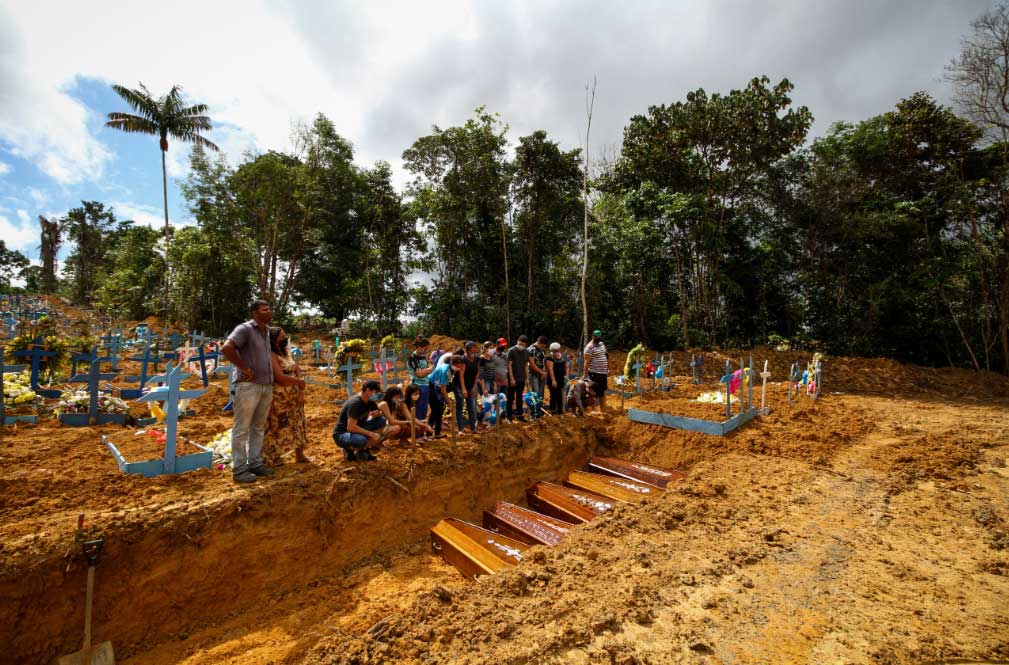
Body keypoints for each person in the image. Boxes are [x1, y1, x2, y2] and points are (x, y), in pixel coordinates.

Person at [220, 299, 277, 484]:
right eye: (265, 309)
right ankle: (239, 469)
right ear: (255, 313)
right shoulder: (244, 329)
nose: (269, 312)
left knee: (258, 427)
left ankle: (255, 463)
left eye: (269, 309)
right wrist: (244, 368)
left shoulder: (267, 331)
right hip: (248, 386)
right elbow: (227, 348)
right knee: (242, 428)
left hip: (265, 385)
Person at [262, 326, 309, 465]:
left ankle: (299, 455)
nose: (284, 339)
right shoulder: (271, 354)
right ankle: (276, 456)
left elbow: (297, 369)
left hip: (295, 397)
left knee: (299, 423)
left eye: (285, 336)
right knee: (278, 426)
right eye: (281, 337)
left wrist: (301, 391)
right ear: (273, 339)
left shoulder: (286, 352)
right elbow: (279, 377)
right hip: (279, 399)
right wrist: (299, 381)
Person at [332, 380, 387, 461]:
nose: (376, 395)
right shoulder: (355, 403)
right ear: (368, 390)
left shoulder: (370, 402)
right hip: (342, 434)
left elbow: (377, 415)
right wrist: (371, 434)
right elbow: (350, 427)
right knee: (361, 440)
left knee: (381, 420)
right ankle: (348, 449)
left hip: (357, 428)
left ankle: (363, 450)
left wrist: (377, 415)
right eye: (375, 392)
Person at [429, 354, 465, 438]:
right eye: (457, 366)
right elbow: (443, 390)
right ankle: (429, 433)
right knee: (435, 410)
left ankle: (437, 433)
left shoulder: (450, 368)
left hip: (438, 386)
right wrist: (449, 402)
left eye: (460, 366)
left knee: (440, 410)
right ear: (453, 364)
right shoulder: (446, 371)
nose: (458, 368)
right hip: (431, 386)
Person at [453, 341, 480, 434]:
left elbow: (477, 374)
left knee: (472, 407)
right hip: (460, 386)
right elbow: (461, 375)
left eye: (474, 351)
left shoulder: (477, 359)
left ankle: (473, 428)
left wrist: (474, 387)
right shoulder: (463, 360)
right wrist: (463, 389)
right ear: (466, 351)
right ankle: (460, 429)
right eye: (471, 351)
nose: (473, 353)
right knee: (460, 405)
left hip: (471, 385)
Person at [506, 335, 531, 422]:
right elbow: (509, 365)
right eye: (520, 343)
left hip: (521, 378)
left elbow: (525, 366)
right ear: (517, 341)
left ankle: (519, 414)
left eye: (523, 344)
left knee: (520, 397)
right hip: (512, 378)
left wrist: (527, 378)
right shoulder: (511, 351)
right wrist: (512, 378)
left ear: (526, 345)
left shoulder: (526, 352)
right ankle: (509, 416)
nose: (521, 345)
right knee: (510, 397)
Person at [583, 329, 609, 411]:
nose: (598, 339)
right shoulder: (589, 347)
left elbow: (606, 355)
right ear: (593, 336)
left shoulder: (601, 344)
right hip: (594, 373)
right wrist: (585, 375)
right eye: (596, 337)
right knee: (592, 392)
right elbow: (586, 362)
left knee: (602, 392)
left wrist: (608, 367)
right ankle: (591, 409)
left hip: (603, 373)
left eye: (599, 337)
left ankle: (603, 409)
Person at [408, 338, 434, 421]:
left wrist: (426, 370)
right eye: (425, 348)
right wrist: (429, 369)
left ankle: (422, 429)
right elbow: (419, 374)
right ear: (419, 347)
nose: (426, 350)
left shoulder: (423, 357)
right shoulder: (412, 358)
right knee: (418, 408)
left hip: (426, 385)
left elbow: (428, 369)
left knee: (424, 408)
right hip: (417, 386)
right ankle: (417, 430)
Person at [545, 342, 568, 415]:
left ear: (559, 349)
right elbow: (550, 369)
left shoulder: (563, 356)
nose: (555, 352)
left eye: (556, 350)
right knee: (553, 395)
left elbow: (567, 367)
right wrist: (553, 380)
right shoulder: (549, 357)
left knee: (560, 396)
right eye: (553, 351)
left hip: (561, 379)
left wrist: (567, 377)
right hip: (553, 380)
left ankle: (560, 412)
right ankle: (553, 411)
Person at [528, 336, 549, 400]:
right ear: (539, 343)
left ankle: (540, 407)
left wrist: (544, 372)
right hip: (533, 373)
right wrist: (542, 372)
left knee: (541, 393)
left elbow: (543, 361)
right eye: (543, 346)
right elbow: (532, 364)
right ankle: (534, 408)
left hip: (541, 374)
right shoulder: (531, 349)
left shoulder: (541, 350)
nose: (543, 348)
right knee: (535, 392)